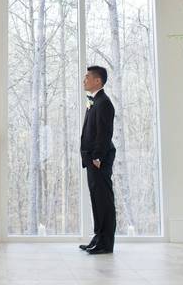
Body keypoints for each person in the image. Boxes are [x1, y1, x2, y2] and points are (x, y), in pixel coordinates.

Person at [78, 65, 116, 255]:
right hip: (91, 159)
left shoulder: (104, 103)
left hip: (98, 160)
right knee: (97, 200)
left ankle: (106, 243)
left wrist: (98, 157)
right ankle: (98, 237)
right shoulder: (95, 101)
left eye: (87, 77)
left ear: (97, 81)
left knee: (104, 201)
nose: (84, 80)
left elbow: (104, 133)